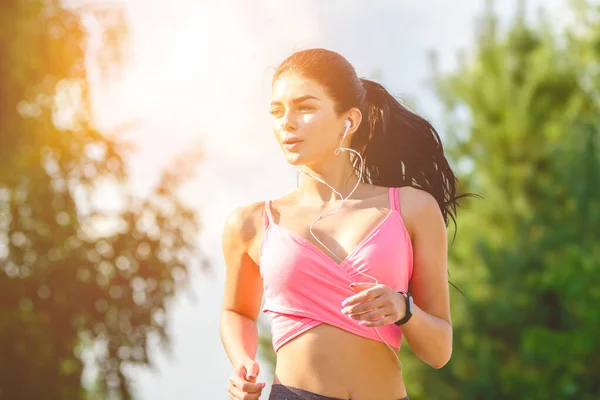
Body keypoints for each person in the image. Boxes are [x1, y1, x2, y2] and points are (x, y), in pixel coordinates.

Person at [220, 48, 464, 400]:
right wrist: (242, 362)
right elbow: (236, 311)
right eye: (277, 110)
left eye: (305, 107)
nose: (287, 121)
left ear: (349, 120)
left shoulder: (410, 209)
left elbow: (439, 351)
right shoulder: (250, 223)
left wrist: (403, 308)